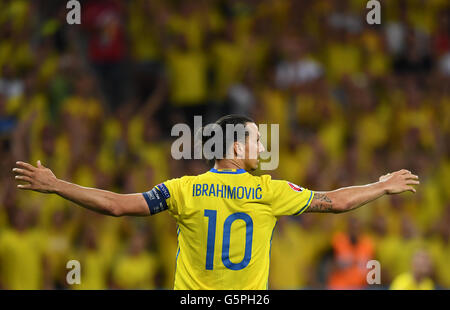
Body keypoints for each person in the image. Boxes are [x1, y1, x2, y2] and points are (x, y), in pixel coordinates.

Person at [12, 114, 420, 290]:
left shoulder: (182, 189)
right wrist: (380, 186)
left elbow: (116, 205)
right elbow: (336, 202)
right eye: (257, 139)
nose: (262, 146)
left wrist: (57, 184)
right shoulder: (270, 191)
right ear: (239, 146)